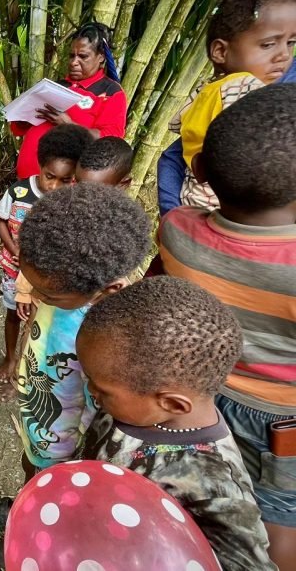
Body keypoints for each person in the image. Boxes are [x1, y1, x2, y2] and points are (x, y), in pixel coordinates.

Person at [157, 84, 296, 570]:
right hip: (281, 421)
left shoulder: (176, 230)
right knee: (277, 517)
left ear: (198, 172)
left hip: (200, 398)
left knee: (198, 494)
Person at [0, 184, 150, 533]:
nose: (36, 295)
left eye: (47, 293)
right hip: (41, 416)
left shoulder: (109, 339)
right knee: (33, 466)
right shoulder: (65, 277)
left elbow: (102, 413)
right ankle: (25, 505)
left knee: (56, 489)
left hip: (66, 439)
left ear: (108, 289)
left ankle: (33, 532)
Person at [76, 277, 276, 571]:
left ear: (172, 403)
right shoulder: (138, 404)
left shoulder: (215, 487)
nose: (91, 391)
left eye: (100, 388)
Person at [167, 0, 296, 211]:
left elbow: (177, 126)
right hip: (232, 208)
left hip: (193, 199)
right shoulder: (245, 87)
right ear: (220, 51)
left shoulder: (206, 91)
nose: (284, 55)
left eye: (291, 43)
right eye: (268, 45)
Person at [0, 124, 93, 389]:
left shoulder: (71, 202)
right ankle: (10, 358)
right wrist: (13, 249)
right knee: (13, 313)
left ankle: (29, 365)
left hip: (47, 276)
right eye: (50, 176)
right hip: (14, 268)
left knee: (39, 318)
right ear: (40, 165)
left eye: (65, 180)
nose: (54, 186)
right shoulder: (18, 193)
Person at [10, 22, 126, 180]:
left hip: (65, 188)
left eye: (83, 56)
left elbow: (110, 143)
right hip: (27, 183)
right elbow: (17, 129)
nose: (74, 62)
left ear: (101, 57)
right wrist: (23, 115)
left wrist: (69, 125)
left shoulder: (111, 92)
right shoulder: (54, 86)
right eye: (72, 56)